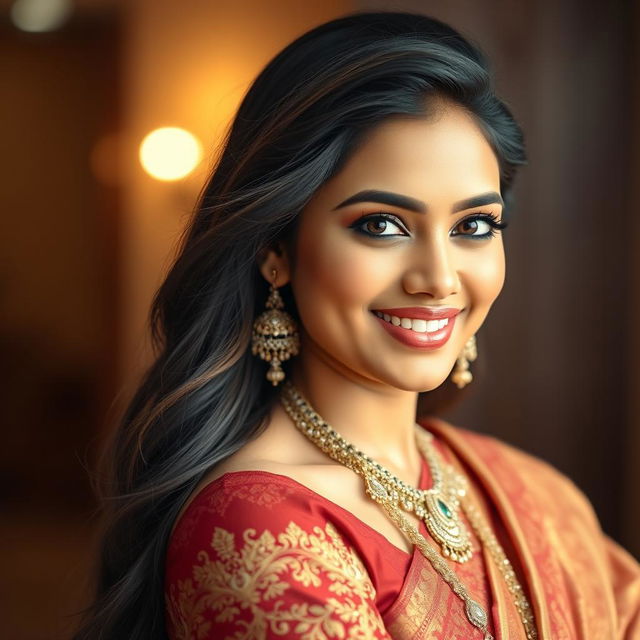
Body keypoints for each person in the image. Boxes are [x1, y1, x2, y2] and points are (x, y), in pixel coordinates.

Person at [74, 11, 640, 640]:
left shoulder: (530, 492)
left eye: (473, 226)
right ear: (277, 249)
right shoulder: (256, 526)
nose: (439, 277)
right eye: (382, 225)